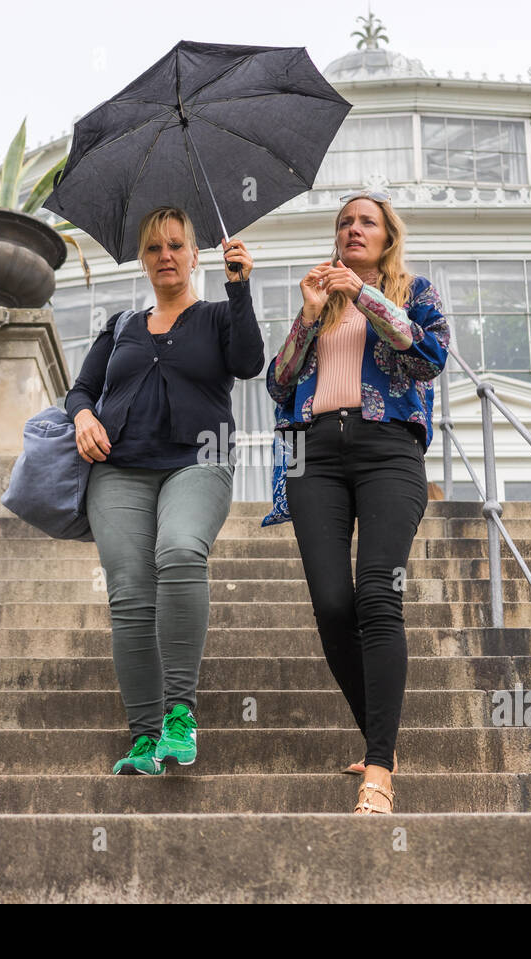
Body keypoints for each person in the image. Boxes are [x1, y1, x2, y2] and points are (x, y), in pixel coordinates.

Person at [265, 190, 450, 813]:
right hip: (310, 456)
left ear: (387, 236)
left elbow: (428, 357)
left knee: (377, 591)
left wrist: (366, 295)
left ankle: (378, 764)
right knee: (331, 603)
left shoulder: (412, 290)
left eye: (366, 221)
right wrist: (308, 315)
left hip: (388, 451)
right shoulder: (322, 300)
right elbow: (278, 382)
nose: (353, 229)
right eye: (344, 222)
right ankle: (381, 737)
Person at [65, 206, 265, 774]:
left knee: (179, 550)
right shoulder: (122, 326)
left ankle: (180, 713)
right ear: (143, 260)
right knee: (129, 594)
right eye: (154, 249)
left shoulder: (220, 316)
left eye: (176, 246)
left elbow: (250, 364)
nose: (166, 256)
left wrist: (241, 287)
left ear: (194, 255)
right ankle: (144, 737)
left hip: (199, 461)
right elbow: (81, 389)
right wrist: (83, 418)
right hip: (120, 468)